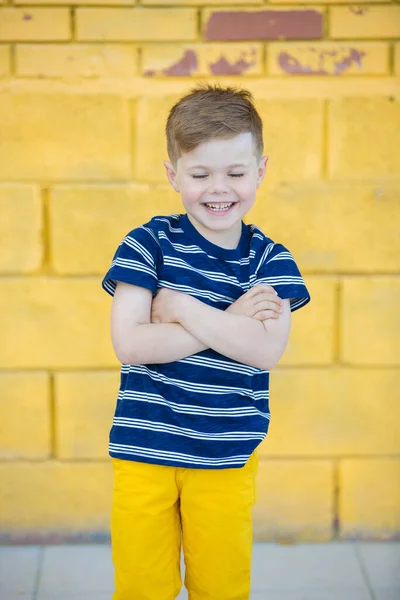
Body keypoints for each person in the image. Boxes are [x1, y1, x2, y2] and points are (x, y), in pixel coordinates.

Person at [102, 84, 311, 600]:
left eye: (236, 174)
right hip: (144, 451)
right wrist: (233, 319)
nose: (219, 189)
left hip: (226, 455)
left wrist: (182, 309)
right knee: (141, 587)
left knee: (221, 586)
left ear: (260, 171)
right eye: (199, 175)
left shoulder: (271, 261)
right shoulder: (147, 243)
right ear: (172, 174)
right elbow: (129, 343)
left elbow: (264, 351)